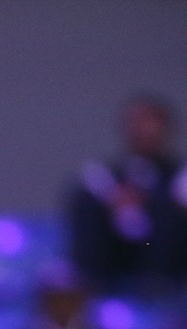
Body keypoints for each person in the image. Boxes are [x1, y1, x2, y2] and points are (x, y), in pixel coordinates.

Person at [66, 93, 187, 294]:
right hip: (118, 258)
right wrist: (114, 202)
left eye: (151, 122)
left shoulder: (180, 173)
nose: (143, 130)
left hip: (170, 265)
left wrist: (149, 203)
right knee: (85, 200)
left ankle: (157, 287)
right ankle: (89, 284)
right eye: (136, 122)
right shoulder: (105, 174)